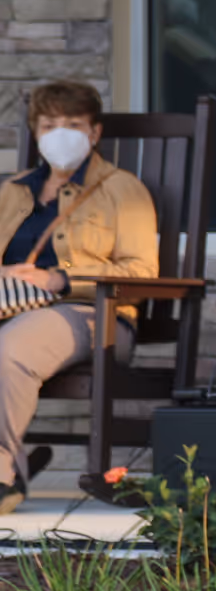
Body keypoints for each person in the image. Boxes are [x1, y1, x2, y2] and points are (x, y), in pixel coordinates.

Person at [0, 80, 159, 514]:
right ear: (35, 132)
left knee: (11, 347)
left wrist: (59, 279)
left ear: (94, 133)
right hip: (12, 305)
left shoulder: (122, 190)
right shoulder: (13, 191)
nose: (60, 134)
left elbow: (141, 271)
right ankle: (13, 465)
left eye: (72, 124)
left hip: (94, 316)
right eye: (50, 125)